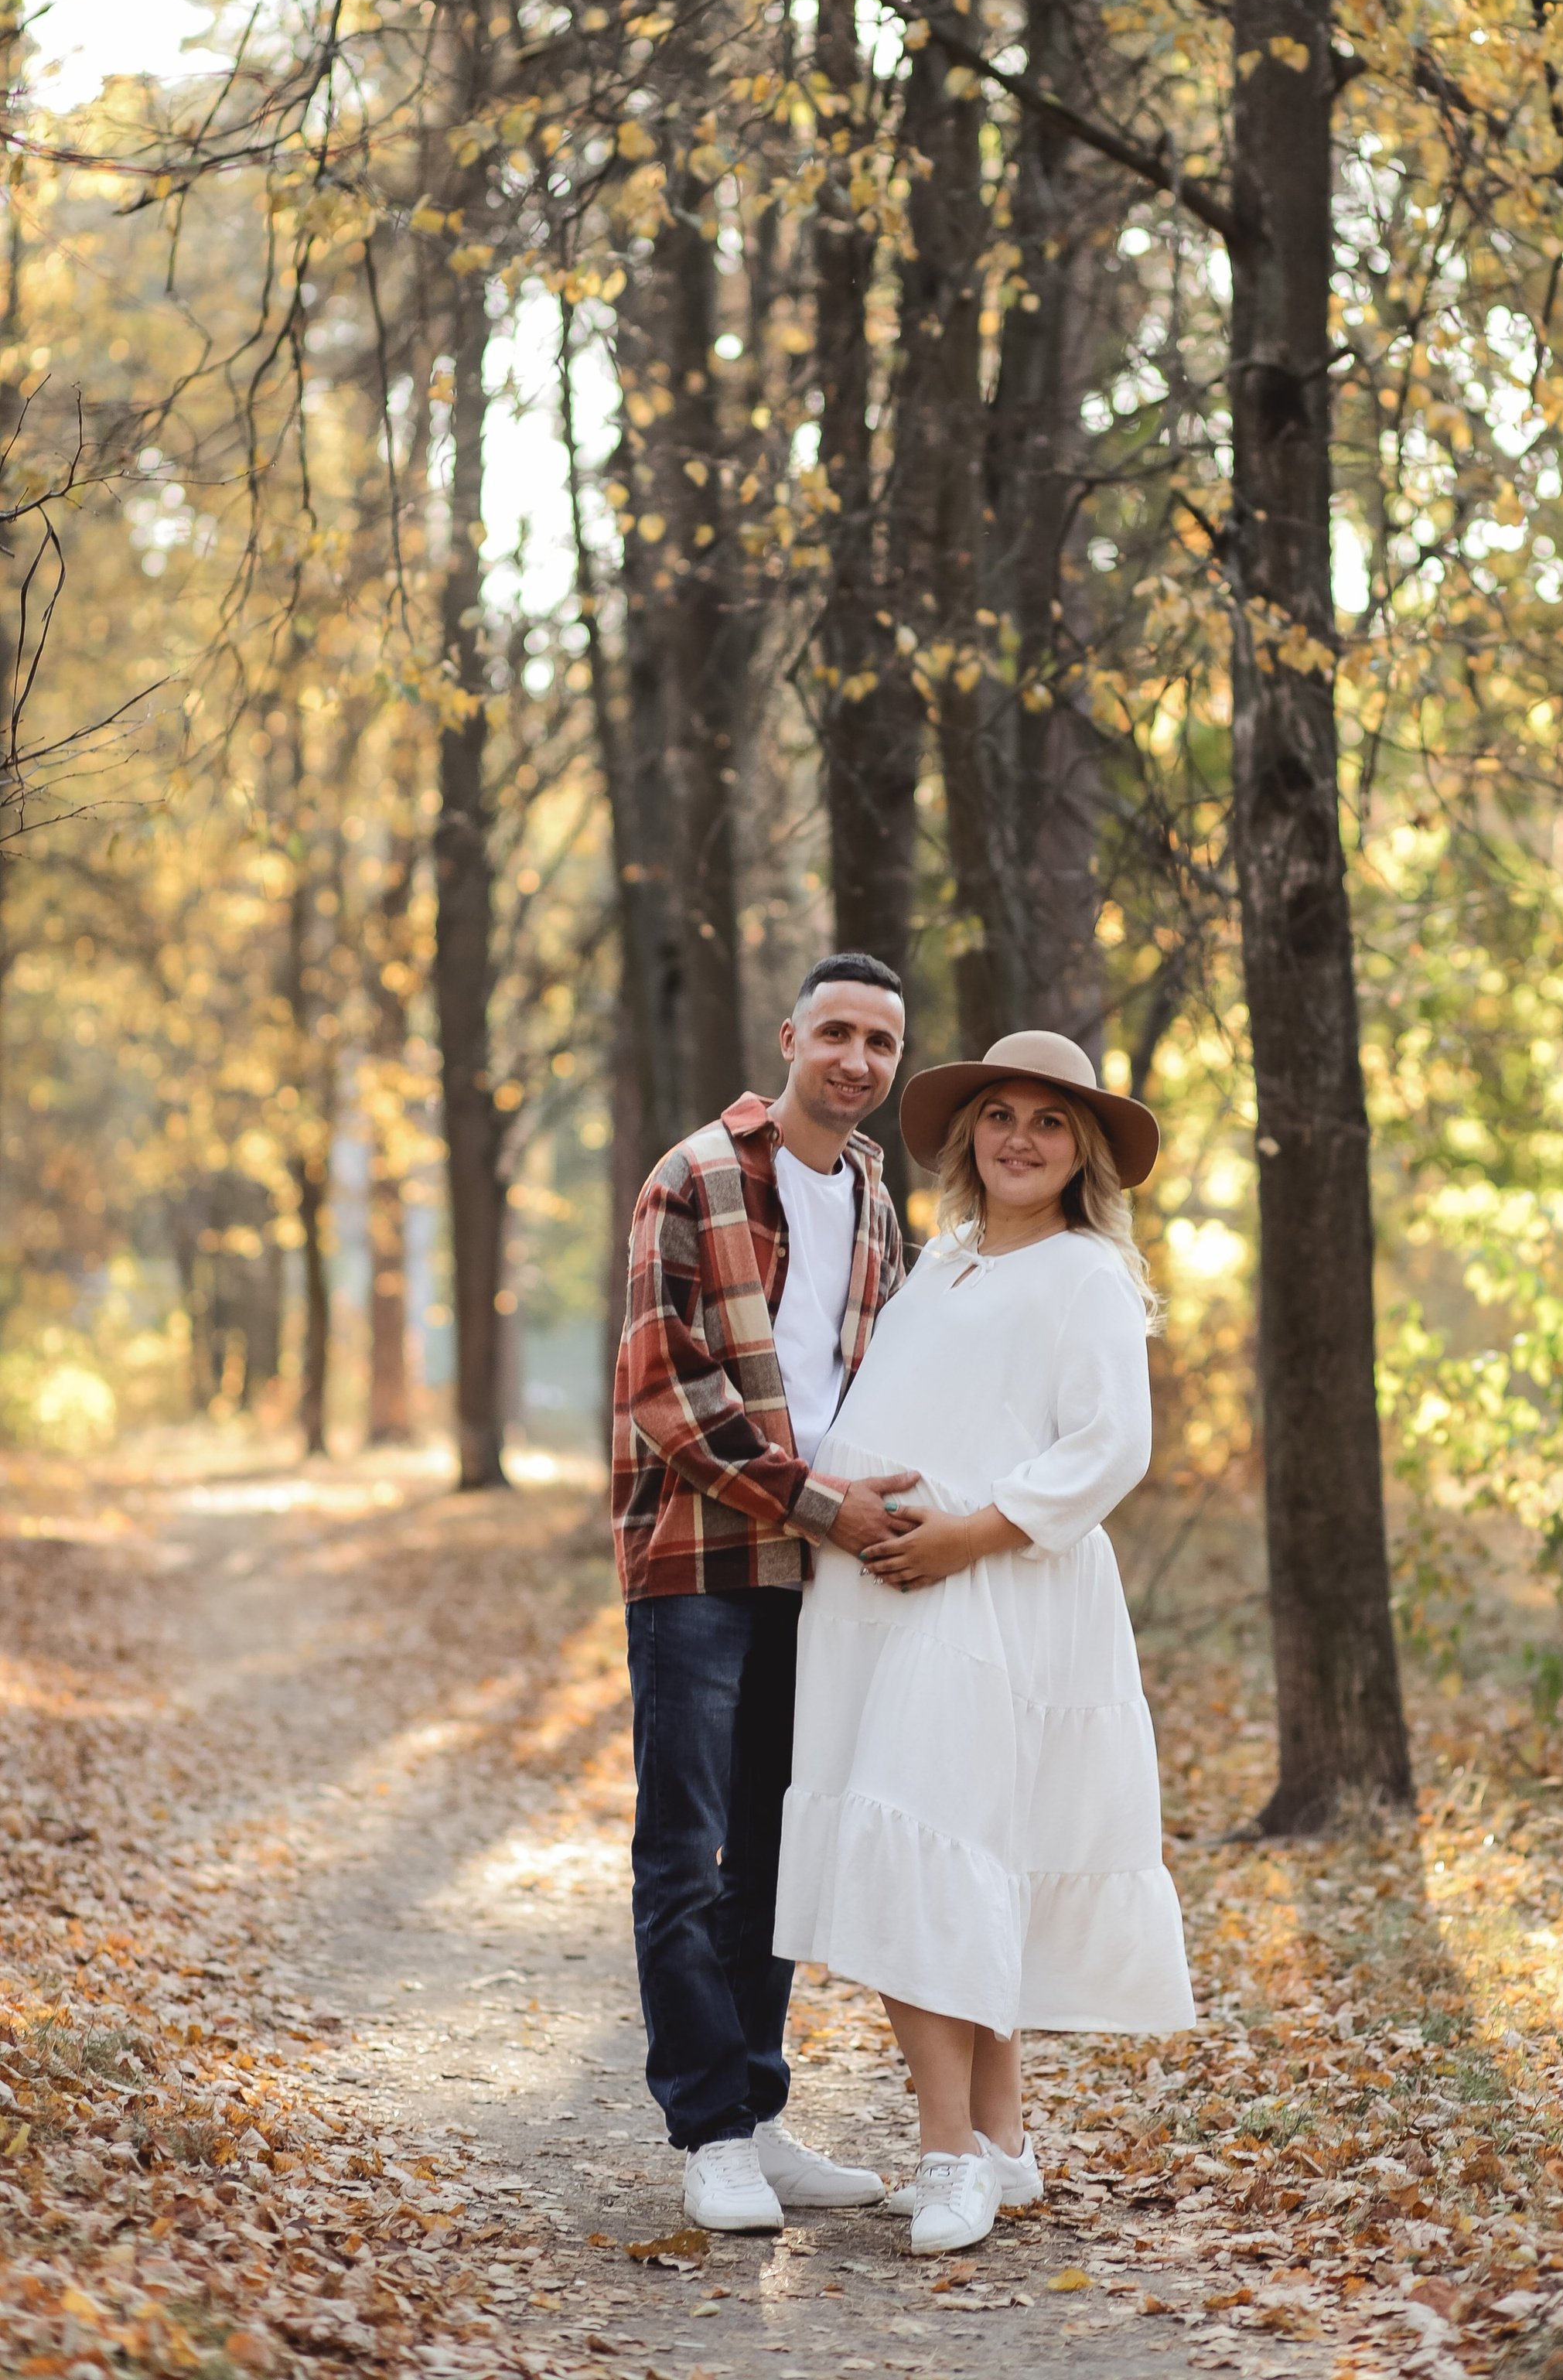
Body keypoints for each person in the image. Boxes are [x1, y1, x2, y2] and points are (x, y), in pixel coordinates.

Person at [773, 1026, 1196, 2259]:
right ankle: (1002, 2142)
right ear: (971, 1136)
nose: (1021, 1138)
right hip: (880, 1594)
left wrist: (965, 1535)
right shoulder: (943, 1258)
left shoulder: (1083, 1275)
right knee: (959, 1857)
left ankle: (947, 2149)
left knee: (934, 1854)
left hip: (986, 1591)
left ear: (1083, 1158)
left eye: (1050, 1123)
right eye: (1001, 1115)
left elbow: (1111, 1446)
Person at [613, 952, 920, 2235]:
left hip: (819, 1575)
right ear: (790, 1037)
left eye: (881, 1045)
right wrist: (820, 1504)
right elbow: (665, 1395)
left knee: (778, 1848)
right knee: (685, 1850)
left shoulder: (877, 1204)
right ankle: (708, 2135)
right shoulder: (692, 1178)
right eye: (836, 1033)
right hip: (697, 1562)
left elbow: (884, 1382)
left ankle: (757, 2111)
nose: (856, 1060)